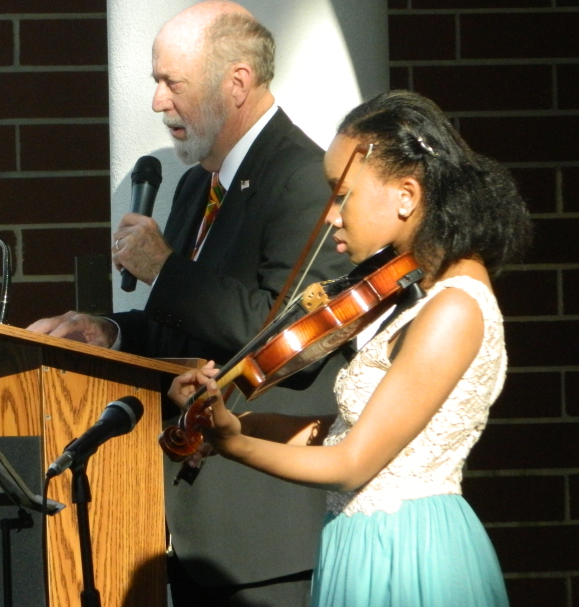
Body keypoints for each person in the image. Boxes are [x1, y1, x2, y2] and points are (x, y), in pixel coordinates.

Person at [28, 0, 351, 606]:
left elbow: (285, 338)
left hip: (263, 539)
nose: (157, 102)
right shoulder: (198, 184)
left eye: (171, 82)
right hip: (187, 525)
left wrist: (166, 270)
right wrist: (106, 332)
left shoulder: (303, 178)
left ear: (236, 83)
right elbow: (184, 335)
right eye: (156, 81)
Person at [169, 90, 532, 607]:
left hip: (408, 554)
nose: (330, 217)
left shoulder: (454, 309)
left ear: (406, 196)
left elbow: (354, 463)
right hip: (364, 542)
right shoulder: (416, 300)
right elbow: (338, 434)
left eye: (343, 197)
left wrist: (235, 446)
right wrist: (230, 421)